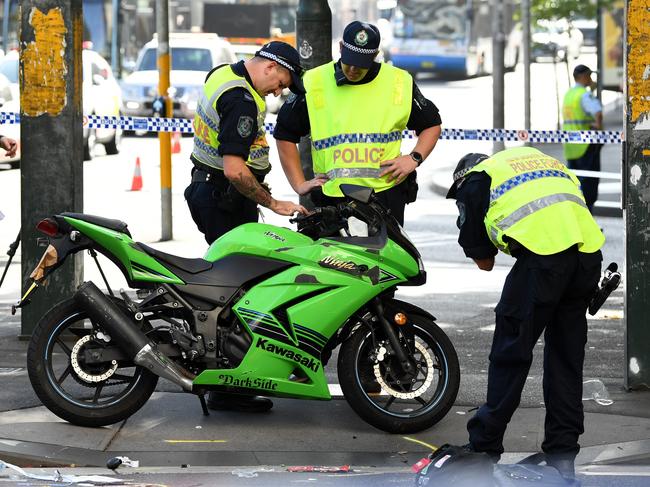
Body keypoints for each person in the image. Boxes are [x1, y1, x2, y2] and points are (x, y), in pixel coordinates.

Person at [446, 147, 604, 481]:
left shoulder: (476, 182)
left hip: (543, 260)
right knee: (566, 358)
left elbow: (484, 262)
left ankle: (484, 446)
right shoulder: (535, 159)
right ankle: (562, 454)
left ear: (461, 178)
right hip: (588, 256)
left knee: (510, 352)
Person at [184, 41, 308, 413]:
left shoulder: (222, 72)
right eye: (282, 82)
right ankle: (226, 387)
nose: (280, 91)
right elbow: (235, 169)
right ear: (270, 67)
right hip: (224, 196)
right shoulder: (241, 99)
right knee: (235, 293)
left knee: (228, 289)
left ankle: (225, 378)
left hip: (210, 190)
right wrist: (273, 203)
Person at [274, 21, 442, 226]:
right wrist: (299, 183)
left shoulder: (399, 82)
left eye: (361, 64)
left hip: (384, 195)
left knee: (386, 257)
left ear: (375, 55)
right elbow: (284, 133)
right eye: (349, 61)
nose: (353, 69)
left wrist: (414, 158)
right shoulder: (314, 81)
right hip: (333, 197)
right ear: (341, 48)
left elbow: (431, 124)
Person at [562, 64, 603, 213]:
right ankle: (589, 221)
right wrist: (597, 125)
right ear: (584, 77)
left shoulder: (569, 94)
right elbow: (597, 111)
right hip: (586, 146)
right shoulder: (584, 94)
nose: (591, 79)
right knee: (589, 185)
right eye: (589, 76)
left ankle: (577, 221)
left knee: (574, 184)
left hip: (571, 146)